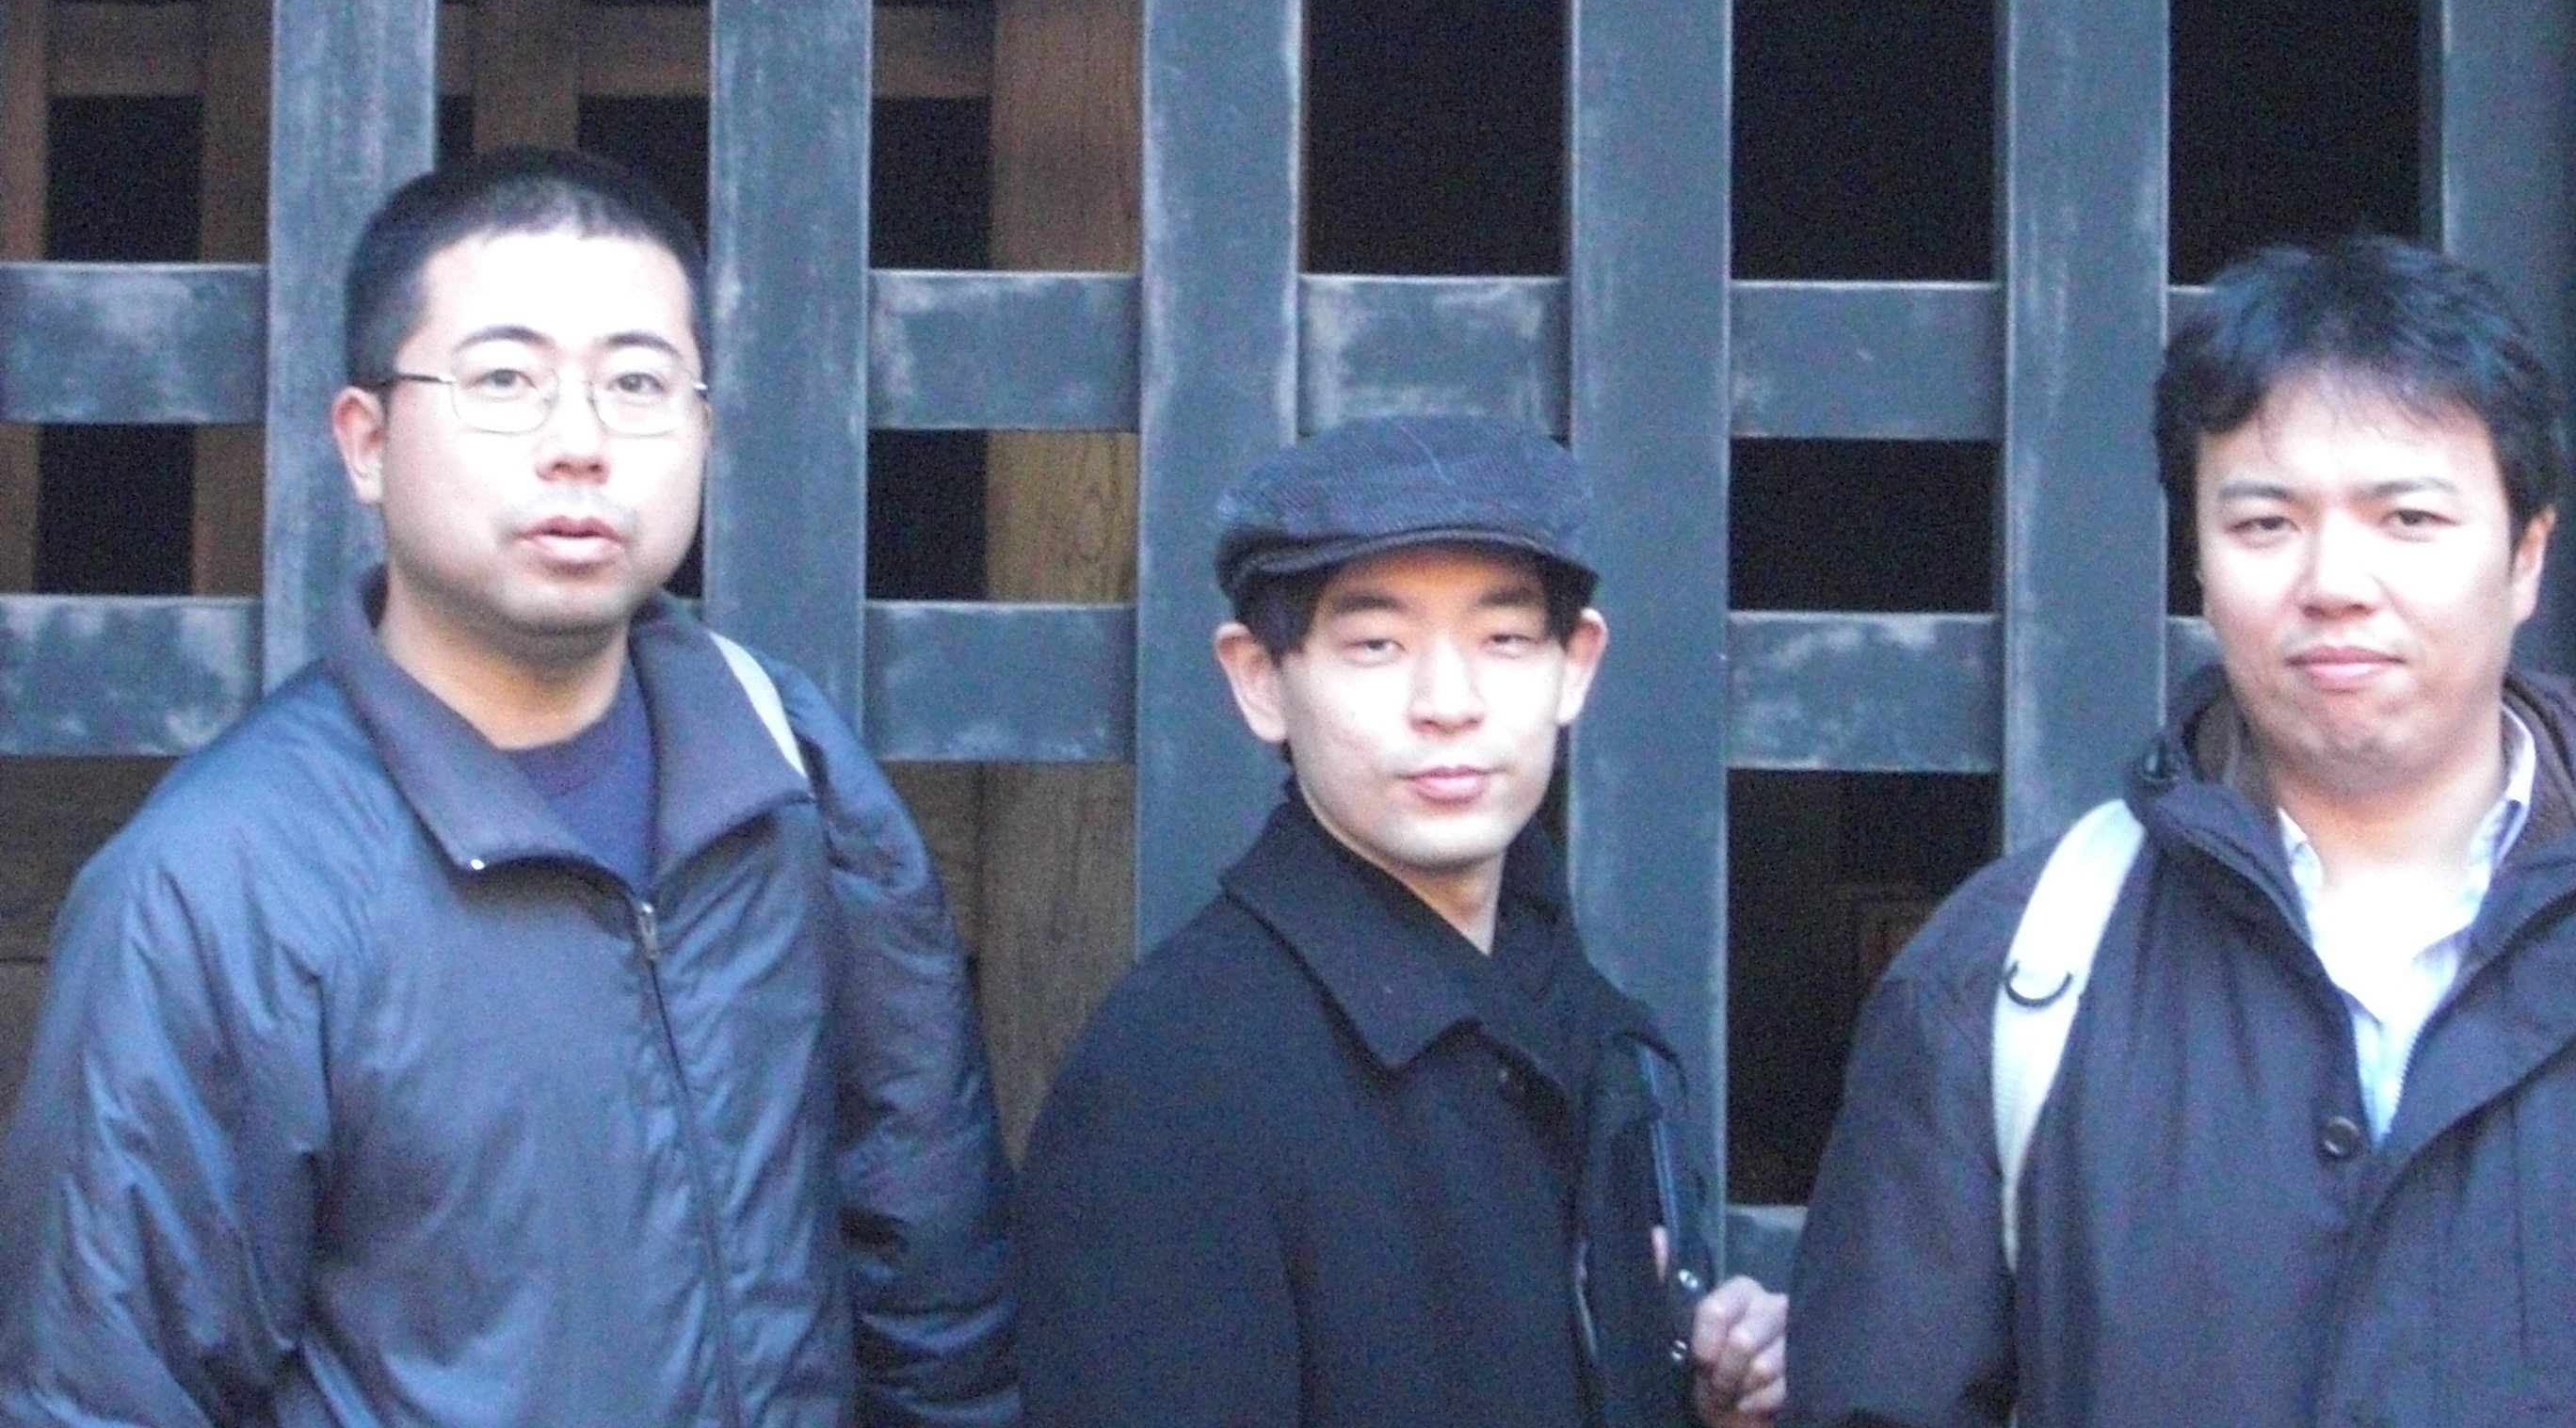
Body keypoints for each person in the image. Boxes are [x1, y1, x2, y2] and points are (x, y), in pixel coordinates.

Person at [0, 147, 1016, 1428]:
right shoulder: (218, 884)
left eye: (637, 384)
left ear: (704, 429)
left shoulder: (788, 767)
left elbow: (927, 1266)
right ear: (366, 443)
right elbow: (107, 1386)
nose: (579, 444)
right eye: (504, 381)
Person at [1789, 233, 2576, 1428]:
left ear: (2525, 557)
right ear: (2198, 564)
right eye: (2266, 524)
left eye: (2408, 517)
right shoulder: (2009, 972)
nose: (2334, 582)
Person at [1015, 412, 1789, 1428]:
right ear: (1260, 680)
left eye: (1504, 639)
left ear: (1575, 665)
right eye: (1376, 645)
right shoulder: (1178, 1072)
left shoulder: (1603, 1040)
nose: (1448, 701)